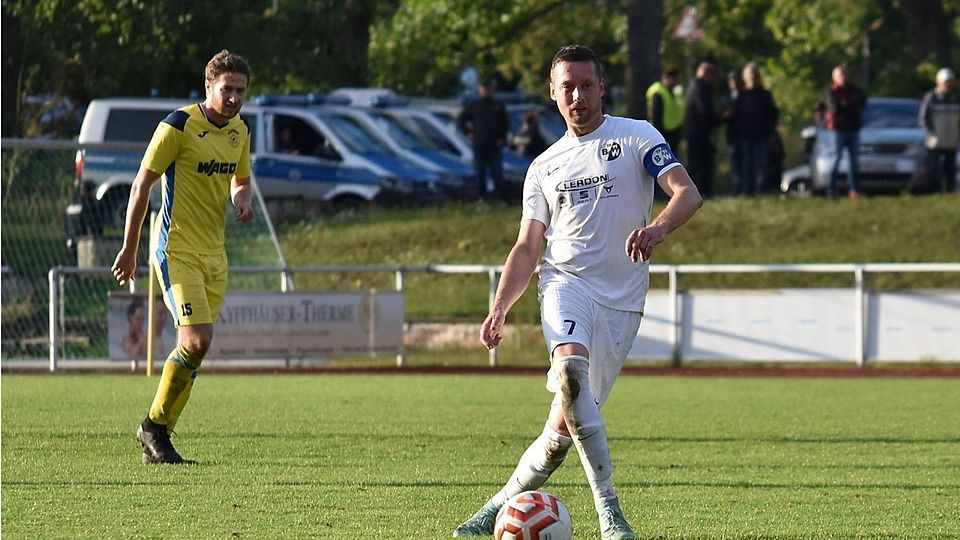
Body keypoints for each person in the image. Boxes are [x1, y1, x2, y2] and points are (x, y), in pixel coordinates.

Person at [452, 44, 702, 540]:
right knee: (569, 373)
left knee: (560, 434)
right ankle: (610, 512)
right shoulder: (543, 165)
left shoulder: (636, 136)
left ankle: (494, 508)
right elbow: (527, 246)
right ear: (552, 93)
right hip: (564, 283)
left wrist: (657, 229)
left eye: (586, 85)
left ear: (602, 88)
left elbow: (686, 192)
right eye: (567, 86)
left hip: (622, 301)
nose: (577, 95)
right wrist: (499, 306)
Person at [111, 49, 255, 464]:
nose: (233, 98)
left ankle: (157, 433)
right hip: (176, 250)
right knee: (197, 339)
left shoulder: (240, 131)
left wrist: (241, 202)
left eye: (240, 91)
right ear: (208, 86)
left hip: (215, 254)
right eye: (226, 89)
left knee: (195, 348)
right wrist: (130, 247)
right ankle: (154, 428)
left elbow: (239, 181)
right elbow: (142, 186)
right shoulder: (178, 125)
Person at [457, 78, 510, 200]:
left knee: (497, 172)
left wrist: (502, 138)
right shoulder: (474, 106)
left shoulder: (498, 105)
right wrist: (469, 133)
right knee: (480, 172)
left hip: (495, 145)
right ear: (479, 90)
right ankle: (482, 198)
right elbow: (461, 121)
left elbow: (505, 124)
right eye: (483, 88)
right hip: (479, 145)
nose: (486, 90)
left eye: (488, 88)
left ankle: (500, 198)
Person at [731, 62, 779, 195]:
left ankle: (762, 190)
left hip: (762, 136)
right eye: (750, 74)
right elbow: (735, 116)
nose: (752, 76)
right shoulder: (741, 96)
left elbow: (773, 114)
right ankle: (748, 191)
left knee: (762, 165)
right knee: (747, 166)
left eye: (754, 73)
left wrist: (769, 131)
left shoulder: (765, 95)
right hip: (746, 137)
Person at [824, 65, 867, 199]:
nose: (843, 77)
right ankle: (831, 189)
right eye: (840, 74)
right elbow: (835, 108)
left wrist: (846, 104)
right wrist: (849, 105)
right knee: (836, 159)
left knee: (853, 162)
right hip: (838, 131)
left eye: (844, 74)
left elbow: (862, 103)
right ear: (835, 77)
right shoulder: (831, 91)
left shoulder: (854, 90)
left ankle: (854, 190)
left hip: (853, 129)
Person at [919, 67, 959, 194]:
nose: (948, 85)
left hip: (951, 141)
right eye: (945, 82)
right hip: (935, 141)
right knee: (933, 168)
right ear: (939, 82)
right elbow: (923, 119)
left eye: (950, 82)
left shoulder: (955, 98)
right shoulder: (931, 97)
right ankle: (931, 192)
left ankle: (949, 191)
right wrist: (931, 135)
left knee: (950, 169)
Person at [684, 62, 719, 197]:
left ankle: (700, 190)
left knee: (700, 162)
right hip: (697, 131)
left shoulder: (698, 86)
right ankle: (698, 190)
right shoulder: (699, 87)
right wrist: (719, 118)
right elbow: (705, 109)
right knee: (698, 162)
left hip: (697, 130)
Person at [645, 67, 684, 153]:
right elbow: (656, 114)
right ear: (667, 78)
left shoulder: (670, 91)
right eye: (674, 79)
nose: (676, 82)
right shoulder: (658, 91)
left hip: (673, 131)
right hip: (664, 132)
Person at [720, 70, 744, 195]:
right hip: (732, 137)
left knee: (745, 164)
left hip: (744, 136)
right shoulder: (726, 98)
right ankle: (736, 190)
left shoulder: (745, 96)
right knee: (735, 165)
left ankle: (746, 189)